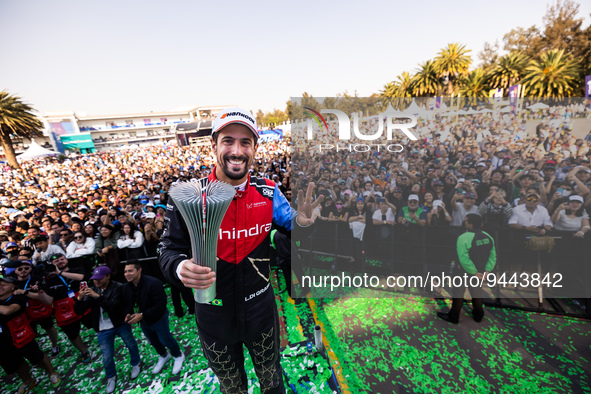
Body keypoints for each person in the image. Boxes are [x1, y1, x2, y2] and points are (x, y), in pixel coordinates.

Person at [159, 107, 299, 393]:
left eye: (245, 142)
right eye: (228, 141)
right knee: (232, 388)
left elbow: (295, 225)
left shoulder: (269, 191)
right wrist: (179, 267)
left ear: (255, 148)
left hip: (260, 311)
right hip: (213, 317)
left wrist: (308, 225)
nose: (237, 150)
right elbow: (167, 250)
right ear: (213, 145)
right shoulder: (188, 196)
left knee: (272, 381)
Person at [74, 266, 141, 394]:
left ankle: (136, 363)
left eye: (100, 278)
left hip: (120, 323)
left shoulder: (118, 287)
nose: (96, 282)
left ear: (108, 276)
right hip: (102, 328)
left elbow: (112, 306)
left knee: (131, 344)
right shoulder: (91, 290)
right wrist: (80, 299)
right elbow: (79, 311)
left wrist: (97, 296)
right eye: (94, 279)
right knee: (107, 356)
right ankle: (111, 376)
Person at [122, 262, 185, 375]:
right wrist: (128, 313)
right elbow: (128, 304)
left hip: (158, 317)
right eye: (125, 271)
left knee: (165, 339)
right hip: (143, 320)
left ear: (139, 270)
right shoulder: (127, 287)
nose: (127, 274)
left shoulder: (153, 283)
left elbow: (161, 304)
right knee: (153, 341)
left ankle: (178, 355)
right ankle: (164, 356)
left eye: (130, 271)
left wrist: (142, 314)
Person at [0, 276, 61, 391]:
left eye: (3, 285)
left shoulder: (18, 297)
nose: (0, 287)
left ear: (13, 287)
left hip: (20, 334)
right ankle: (28, 380)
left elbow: (8, 310)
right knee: (15, 363)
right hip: (3, 340)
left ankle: (52, 373)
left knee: (37, 357)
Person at [437, 214, 497, 324]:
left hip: (463, 271)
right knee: (477, 293)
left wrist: (473, 272)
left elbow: (463, 258)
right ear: (481, 224)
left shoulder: (463, 237)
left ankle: (454, 316)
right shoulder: (488, 236)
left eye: (466, 221)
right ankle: (478, 315)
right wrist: (487, 270)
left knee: (458, 293)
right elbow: (493, 256)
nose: (464, 223)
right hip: (480, 271)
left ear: (470, 224)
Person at [35, 253, 92, 363]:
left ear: (66, 260)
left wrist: (60, 273)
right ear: (52, 264)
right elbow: (48, 301)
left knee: (94, 324)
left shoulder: (76, 269)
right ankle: (83, 351)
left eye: (62, 259)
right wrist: (40, 291)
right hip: (64, 311)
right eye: (56, 261)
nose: (60, 261)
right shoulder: (48, 279)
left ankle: (104, 339)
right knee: (72, 334)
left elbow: (82, 277)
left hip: (83, 303)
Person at [11, 260, 60, 357]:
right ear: (15, 271)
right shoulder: (12, 283)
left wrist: (25, 292)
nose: (23, 270)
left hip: (39, 308)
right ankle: (35, 352)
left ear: (31, 268)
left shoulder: (37, 279)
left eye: (26, 268)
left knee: (49, 327)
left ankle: (55, 344)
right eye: (20, 269)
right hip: (23, 311)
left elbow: (45, 296)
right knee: (29, 333)